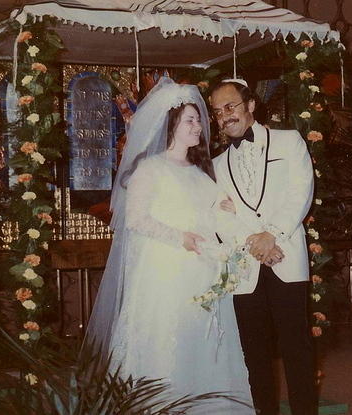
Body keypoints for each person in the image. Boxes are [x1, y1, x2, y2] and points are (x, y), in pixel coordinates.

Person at [85, 77, 254, 414]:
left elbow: (215, 218)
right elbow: (136, 220)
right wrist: (181, 238)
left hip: (202, 272)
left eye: (198, 119)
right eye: (190, 120)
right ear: (171, 124)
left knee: (201, 343)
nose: (199, 125)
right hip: (164, 273)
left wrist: (230, 218)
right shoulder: (150, 168)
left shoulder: (201, 172)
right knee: (166, 343)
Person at [210, 79, 317, 415]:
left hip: (286, 257)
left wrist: (271, 234)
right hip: (245, 269)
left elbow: (301, 192)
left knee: (296, 349)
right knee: (255, 356)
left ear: (251, 105)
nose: (224, 116)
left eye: (230, 107)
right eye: (217, 112)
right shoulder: (216, 165)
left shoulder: (289, 141)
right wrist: (255, 245)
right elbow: (220, 217)